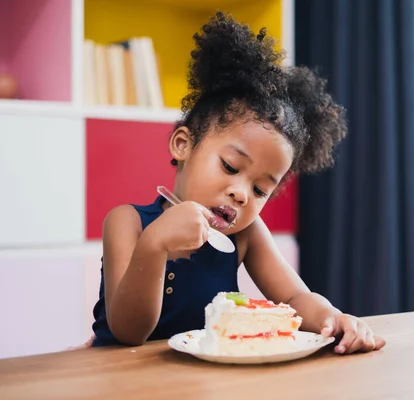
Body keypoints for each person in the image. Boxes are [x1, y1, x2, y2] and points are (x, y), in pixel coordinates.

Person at [89, 12, 385, 355]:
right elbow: (128, 332)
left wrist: (332, 317)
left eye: (260, 190)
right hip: (120, 380)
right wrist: (155, 243)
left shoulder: (246, 233)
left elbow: (293, 296)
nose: (242, 193)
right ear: (183, 145)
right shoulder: (127, 222)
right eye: (230, 166)